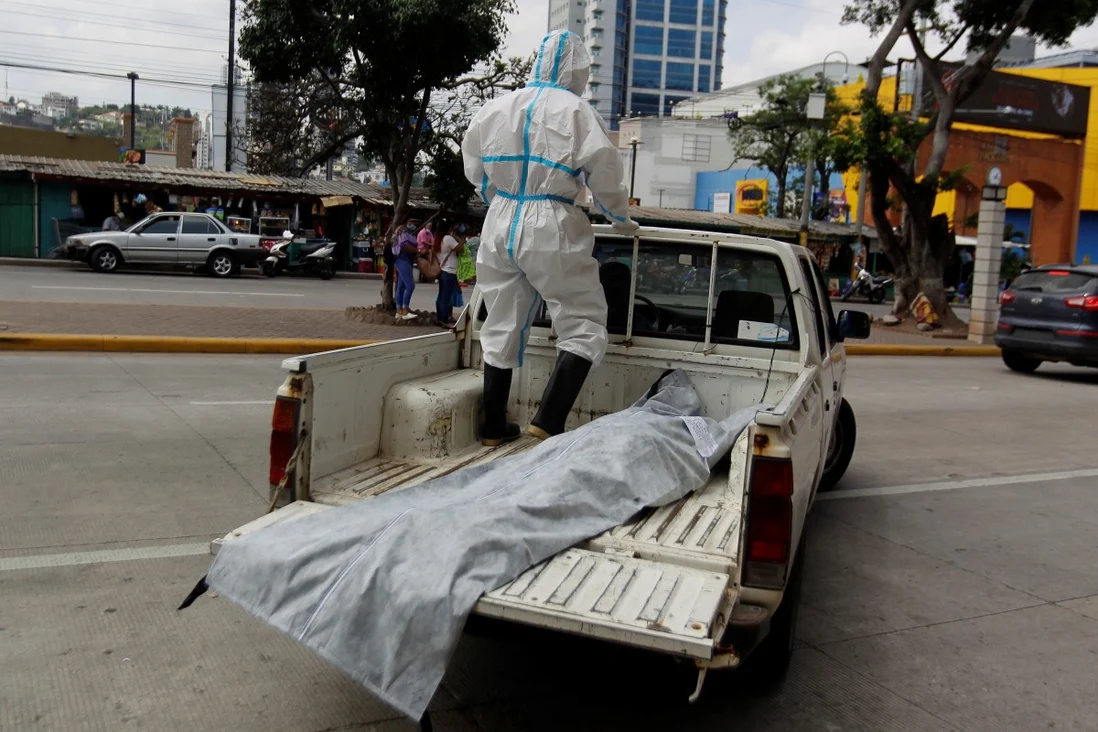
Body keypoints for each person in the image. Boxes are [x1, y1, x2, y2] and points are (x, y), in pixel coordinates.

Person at [462, 29, 636, 446]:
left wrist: (497, 197)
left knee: (500, 318)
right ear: (578, 70)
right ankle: (549, 419)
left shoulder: (496, 107)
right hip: (552, 220)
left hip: (501, 217)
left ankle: (492, 427)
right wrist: (620, 219)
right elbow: (606, 173)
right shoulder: (578, 112)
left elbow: (474, 166)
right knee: (583, 318)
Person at [435, 219, 464, 328]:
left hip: (443, 270)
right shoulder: (448, 238)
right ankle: (443, 320)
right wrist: (455, 236)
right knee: (445, 298)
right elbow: (461, 248)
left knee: (441, 296)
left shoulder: (438, 239)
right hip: (449, 271)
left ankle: (440, 318)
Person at [392, 219, 421, 321]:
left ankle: (399, 310)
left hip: (405, 260)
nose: (414, 225)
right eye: (413, 223)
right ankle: (405, 310)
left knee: (401, 286)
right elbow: (404, 246)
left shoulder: (407, 232)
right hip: (402, 259)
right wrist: (418, 250)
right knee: (410, 285)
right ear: (408, 222)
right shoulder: (403, 231)